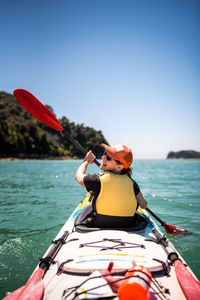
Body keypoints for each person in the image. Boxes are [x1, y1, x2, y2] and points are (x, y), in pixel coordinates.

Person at [75, 144, 147, 228]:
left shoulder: (97, 180)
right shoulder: (133, 184)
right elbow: (144, 205)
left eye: (108, 157)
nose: (103, 157)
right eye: (105, 154)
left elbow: (78, 176)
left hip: (100, 223)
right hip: (127, 225)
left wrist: (86, 161)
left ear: (119, 167)